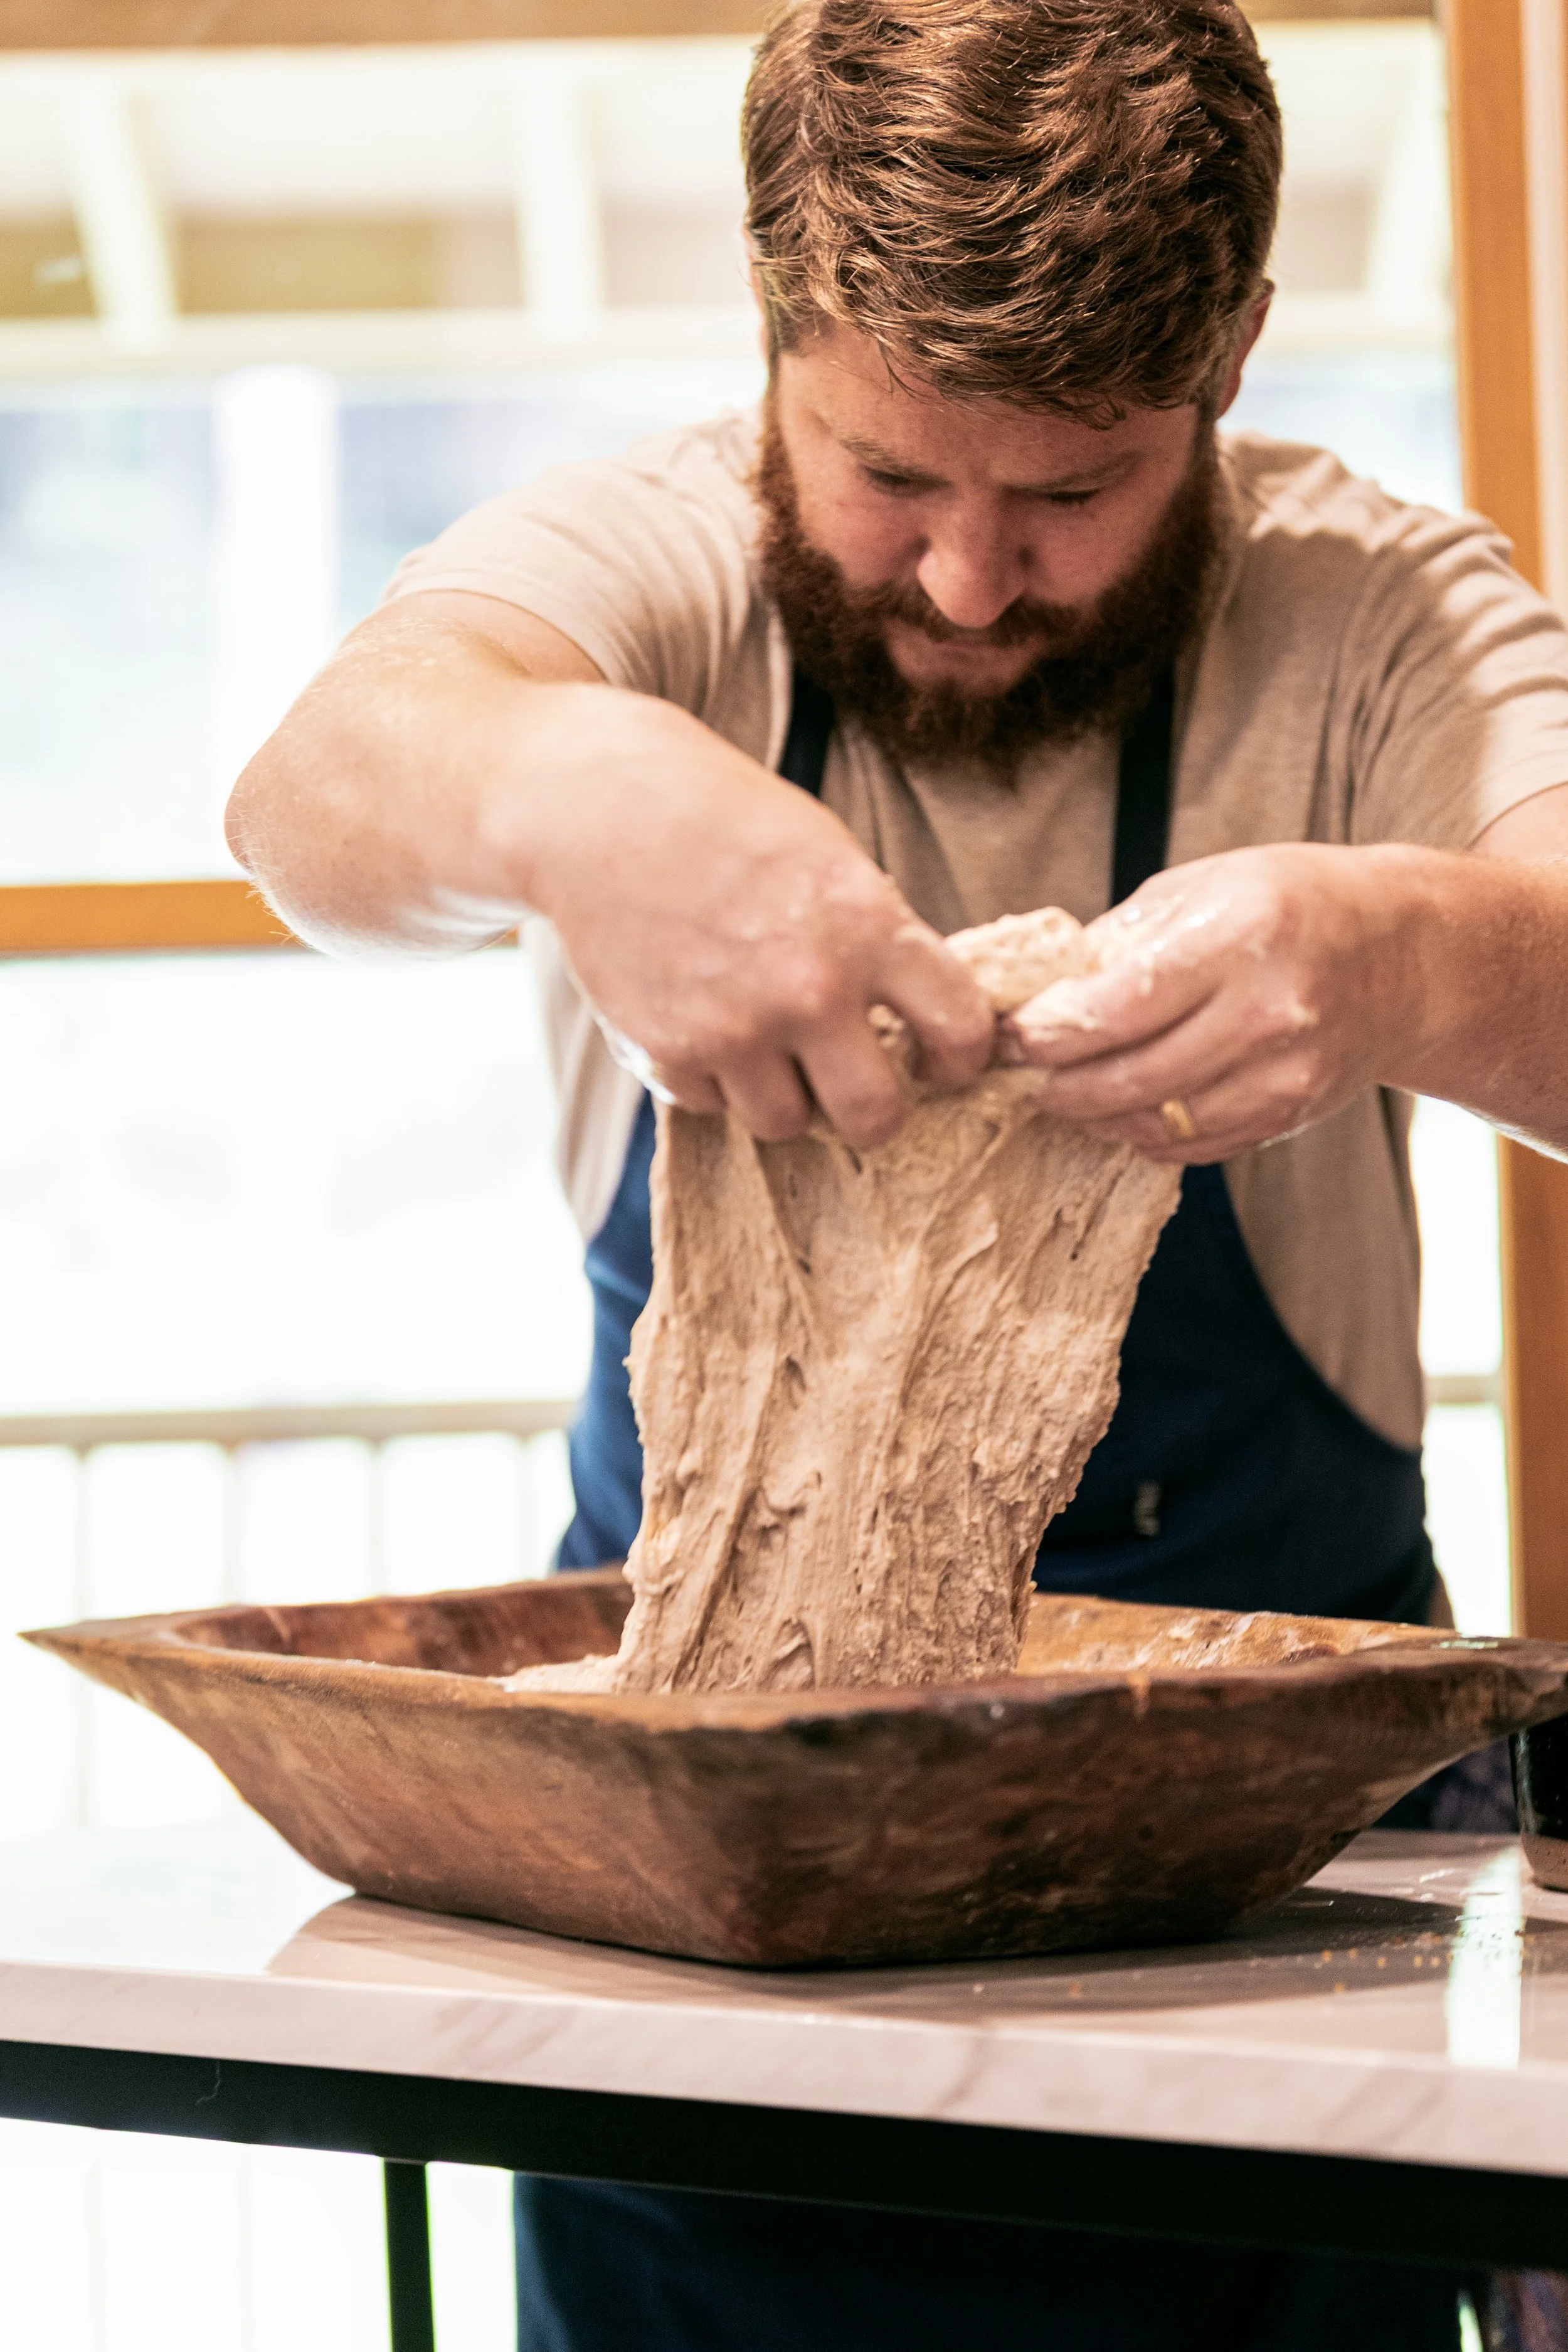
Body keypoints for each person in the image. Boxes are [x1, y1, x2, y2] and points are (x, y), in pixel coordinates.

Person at [226, 1, 1568, 2343]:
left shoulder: (1372, 619)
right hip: (693, 1885)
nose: (963, 579)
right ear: (773, 341)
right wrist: (566, 793)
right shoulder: (641, 571)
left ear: (1230, 358)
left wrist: (1396, 951)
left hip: (1276, 1917)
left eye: (1070, 494)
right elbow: (317, 801)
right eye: (885, 477)